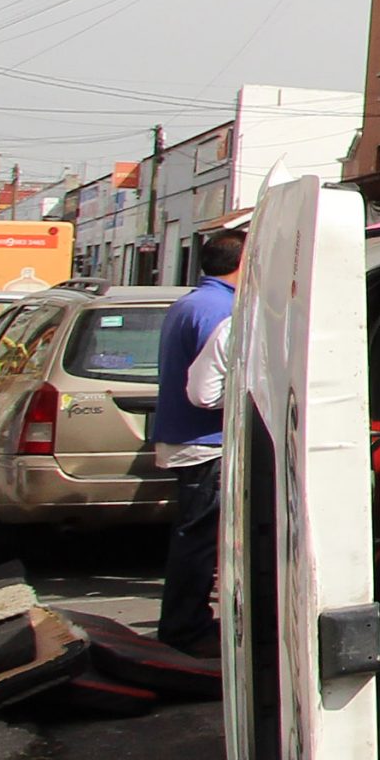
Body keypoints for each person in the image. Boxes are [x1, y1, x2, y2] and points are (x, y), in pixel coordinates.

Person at [152, 228, 245, 653]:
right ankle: (186, 628)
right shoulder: (222, 311)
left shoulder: (191, 303)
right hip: (206, 442)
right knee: (198, 540)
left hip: (189, 439)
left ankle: (184, 623)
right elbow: (205, 393)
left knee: (196, 538)